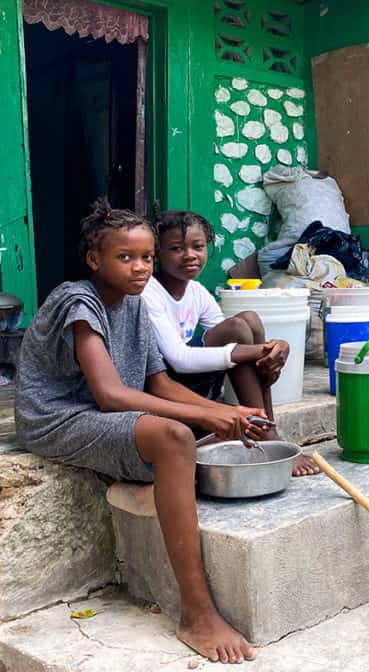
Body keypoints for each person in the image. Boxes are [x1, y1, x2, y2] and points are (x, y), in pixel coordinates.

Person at [15, 201, 260, 663]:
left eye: (147, 257)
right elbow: (109, 394)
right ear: (95, 260)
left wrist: (229, 412)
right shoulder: (78, 300)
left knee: (199, 434)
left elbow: (159, 382)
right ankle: (197, 613)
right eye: (125, 257)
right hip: (59, 417)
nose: (141, 267)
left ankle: (136, 482)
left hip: (100, 415)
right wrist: (207, 418)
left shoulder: (134, 304)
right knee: (176, 438)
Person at [142, 209, 318, 476]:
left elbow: (237, 335)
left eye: (198, 247)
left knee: (250, 320)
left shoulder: (196, 292)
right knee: (238, 328)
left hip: (196, 383)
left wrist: (268, 352)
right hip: (169, 388)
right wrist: (259, 350)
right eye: (176, 248)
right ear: (157, 254)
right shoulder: (149, 292)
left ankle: (267, 429)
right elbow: (180, 358)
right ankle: (266, 434)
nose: (190, 255)